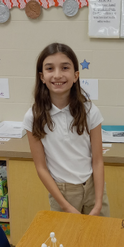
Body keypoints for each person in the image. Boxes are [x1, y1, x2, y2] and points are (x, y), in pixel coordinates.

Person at [24, 42, 109, 216]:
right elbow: (41, 167)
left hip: (93, 188)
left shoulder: (90, 111)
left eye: (64, 68)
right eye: (49, 68)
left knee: (99, 239)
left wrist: (98, 203)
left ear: (76, 75)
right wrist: (65, 206)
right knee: (67, 242)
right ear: (41, 76)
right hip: (62, 194)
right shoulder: (33, 117)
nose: (57, 75)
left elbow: (98, 160)